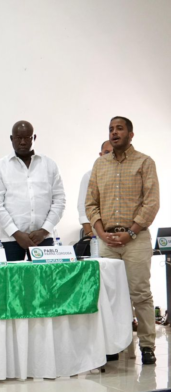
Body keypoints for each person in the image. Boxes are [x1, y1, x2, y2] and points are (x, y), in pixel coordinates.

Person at [86, 116, 160, 365]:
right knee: (112, 296)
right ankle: (115, 344)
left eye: (119, 128)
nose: (114, 132)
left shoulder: (144, 163)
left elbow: (151, 202)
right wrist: (101, 232)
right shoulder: (100, 165)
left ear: (131, 134)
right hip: (107, 240)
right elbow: (91, 204)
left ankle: (147, 345)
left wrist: (131, 232)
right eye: (110, 129)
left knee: (140, 293)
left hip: (135, 238)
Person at [0, 121, 66, 261]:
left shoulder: (49, 165)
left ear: (34, 138)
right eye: (18, 138)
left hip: (44, 238)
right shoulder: (0, 167)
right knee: (11, 282)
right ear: (12, 139)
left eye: (27, 138)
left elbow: (59, 201)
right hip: (11, 238)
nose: (23, 142)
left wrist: (44, 231)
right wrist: (16, 233)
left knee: (44, 282)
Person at [77, 140, 113, 238]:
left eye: (113, 152)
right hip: (96, 230)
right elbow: (82, 206)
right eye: (106, 152)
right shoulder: (90, 176)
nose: (110, 155)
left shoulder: (126, 175)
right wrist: (89, 233)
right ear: (100, 154)